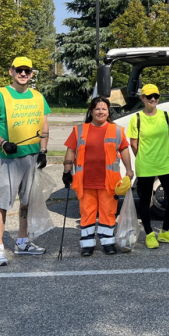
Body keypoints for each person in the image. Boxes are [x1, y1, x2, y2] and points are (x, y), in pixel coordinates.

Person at [0, 57, 51, 266]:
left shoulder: (38, 96)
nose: (23, 74)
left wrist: (43, 150)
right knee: (2, 202)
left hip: (32, 156)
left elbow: (44, 125)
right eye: (19, 70)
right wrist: (2, 142)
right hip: (9, 157)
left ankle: (22, 242)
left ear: (31, 73)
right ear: (11, 71)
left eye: (27, 70)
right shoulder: (0, 94)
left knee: (27, 201)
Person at [62, 97, 133, 256]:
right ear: (91, 111)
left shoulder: (116, 130)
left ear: (108, 112)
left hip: (109, 182)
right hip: (85, 181)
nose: (101, 112)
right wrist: (66, 171)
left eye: (104, 109)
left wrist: (129, 169)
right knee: (87, 213)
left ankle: (108, 243)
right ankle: (87, 244)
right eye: (97, 109)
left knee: (108, 213)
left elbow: (124, 150)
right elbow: (71, 150)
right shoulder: (79, 130)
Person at [127, 84, 169, 249]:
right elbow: (134, 144)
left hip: (165, 163)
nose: (153, 99)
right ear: (142, 98)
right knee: (145, 201)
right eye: (149, 96)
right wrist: (145, 158)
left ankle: (165, 231)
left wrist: (163, 154)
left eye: (156, 96)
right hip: (145, 165)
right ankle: (150, 234)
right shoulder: (136, 118)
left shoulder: (166, 116)